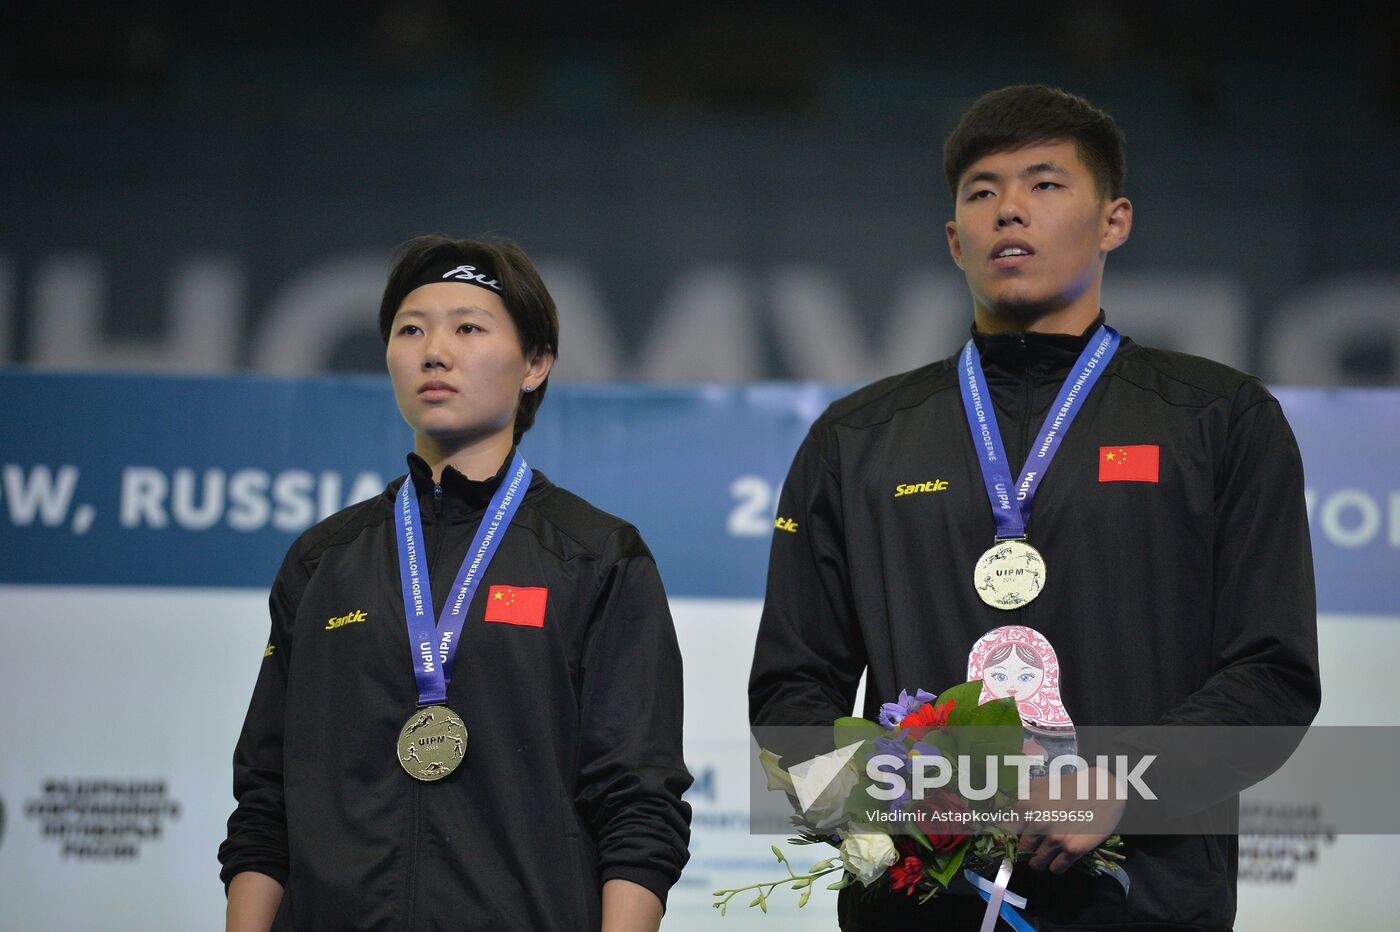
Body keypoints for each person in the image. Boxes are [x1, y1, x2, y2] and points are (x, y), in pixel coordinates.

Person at [749, 85, 1320, 929]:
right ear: (953, 239)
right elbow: (793, 691)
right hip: (919, 909)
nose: (1009, 210)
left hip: (1141, 907)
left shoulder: (1219, 420)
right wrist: (891, 807)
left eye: (1045, 185)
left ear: (1114, 220)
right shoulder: (856, 439)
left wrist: (1122, 783)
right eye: (982, 193)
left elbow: (1272, 675)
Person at [219, 235, 692, 931]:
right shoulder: (323, 561)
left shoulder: (598, 556)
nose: (433, 351)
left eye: (468, 327)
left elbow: (639, 804)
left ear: (535, 364)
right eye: (411, 330)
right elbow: (265, 802)